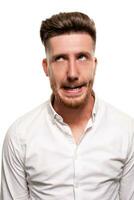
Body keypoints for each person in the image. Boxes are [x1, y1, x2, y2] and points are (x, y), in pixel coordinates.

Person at [1, 11, 134, 200]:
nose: (72, 73)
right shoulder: (19, 136)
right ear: (46, 67)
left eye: (82, 57)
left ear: (94, 64)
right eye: (60, 58)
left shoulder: (127, 131)